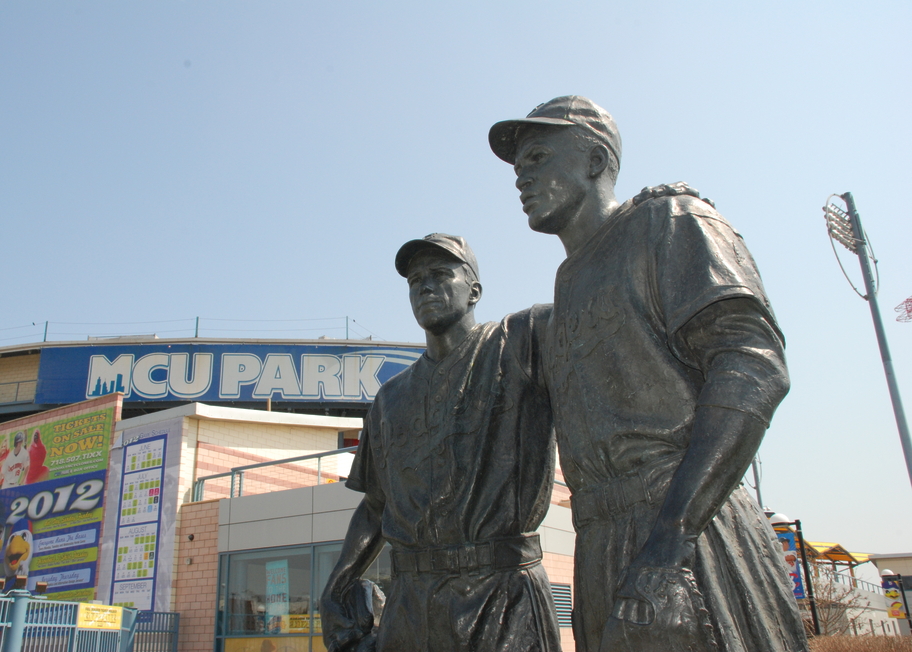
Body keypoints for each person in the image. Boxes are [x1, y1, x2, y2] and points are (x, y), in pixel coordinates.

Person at [489, 96, 809, 651]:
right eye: (519, 168)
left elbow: (751, 361)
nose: (523, 177)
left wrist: (671, 538)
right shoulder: (565, 287)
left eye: (538, 157)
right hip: (600, 538)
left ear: (594, 160)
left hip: (684, 527)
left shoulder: (668, 221)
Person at [321, 234, 560, 652]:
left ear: (474, 291)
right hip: (411, 602)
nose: (424, 287)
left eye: (439, 274)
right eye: (414, 281)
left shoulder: (522, 341)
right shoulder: (390, 398)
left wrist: (627, 221)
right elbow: (375, 506)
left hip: (501, 593)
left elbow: (598, 305)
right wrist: (338, 584)